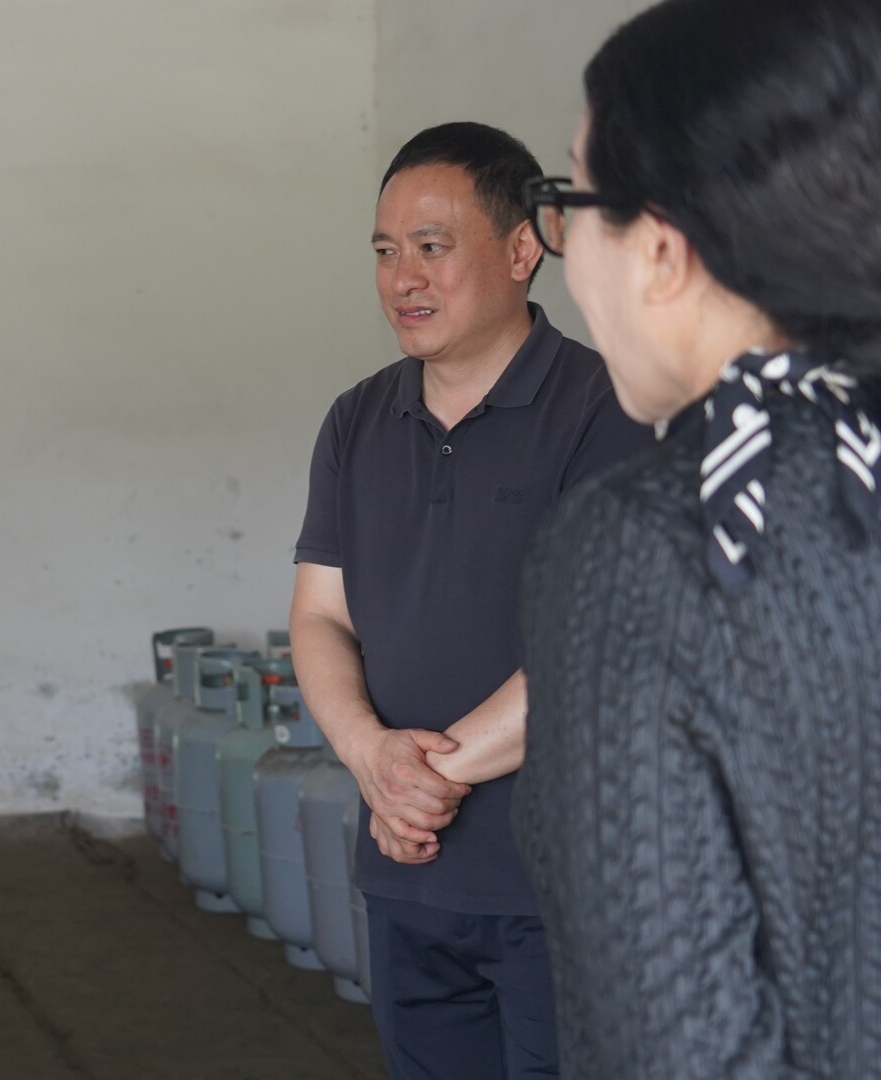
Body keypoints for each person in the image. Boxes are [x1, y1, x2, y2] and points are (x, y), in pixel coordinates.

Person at [512, 1, 881, 1076]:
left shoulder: (649, 549)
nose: (568, 256)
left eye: (571, 202)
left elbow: (675, 1052)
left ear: (662, 250)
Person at [289, 123, 649, 1077]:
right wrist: (369, 756)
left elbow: (599, 647)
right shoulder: (357, 421)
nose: (402, 277)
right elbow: (320, 615)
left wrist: (417, 784)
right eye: (385, 251)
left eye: (431, 246)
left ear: (522, 249)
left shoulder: (610, 409)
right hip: (409, 876)